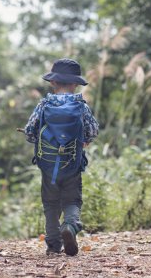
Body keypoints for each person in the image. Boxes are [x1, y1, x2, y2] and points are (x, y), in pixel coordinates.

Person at [23, 58, 99, 256]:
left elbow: (30, 131)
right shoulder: (81, 106)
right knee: (72, 201)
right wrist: (84, 141)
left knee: (50, 205)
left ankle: (54, 245)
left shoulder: (44, 105)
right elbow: (92, 131)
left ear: (53, 82)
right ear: (75, 84)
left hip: (48, 166)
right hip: (72, 163)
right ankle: (71, 226)